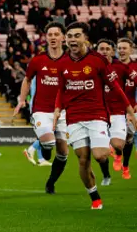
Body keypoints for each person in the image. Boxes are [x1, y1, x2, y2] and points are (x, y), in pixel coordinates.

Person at [55, 22, 137, 209]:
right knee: (83, 159)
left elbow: (115, 87)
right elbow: (62, 89)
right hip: (74, 117)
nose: (72, 40)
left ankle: (110, 151)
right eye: (69, 36)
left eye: (77, 36)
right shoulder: (63, 63)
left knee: (100, 155)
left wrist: (130, 111)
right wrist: (57, 109)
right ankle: (95, 197)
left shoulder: (98, 60)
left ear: (85, 38)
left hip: (97, 114)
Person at [14, 22, 69, 193]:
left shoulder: (70, 61)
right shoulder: (38, 60)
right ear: (46, 38)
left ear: (63, 38)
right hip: (41, 110)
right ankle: (45, 151)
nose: (53, 37)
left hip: (63, 111)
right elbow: (27, 79)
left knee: (63, 153)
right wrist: (22, 100)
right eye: (50, 34)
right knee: (48, 142)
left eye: (56, 34)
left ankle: (51, 182)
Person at [96, 39, 129, 183]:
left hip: (117, 112)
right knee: (100, 154)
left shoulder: (121, 68)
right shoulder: (91, 67)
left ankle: (118, 153)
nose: (104, 51)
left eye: (107, 49)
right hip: (98, 114)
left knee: (118, 145)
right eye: (101, 49)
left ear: (112, 51)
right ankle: (106, 175)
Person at [116, 38, 137, 179]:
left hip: (131, 108)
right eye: (119, 48)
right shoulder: (111, 65)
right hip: (114, 108)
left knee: (129, 138)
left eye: (124, 48)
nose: (121, 50)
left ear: (131, 50)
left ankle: (125, 166)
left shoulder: (135, 67)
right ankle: (118, 154)